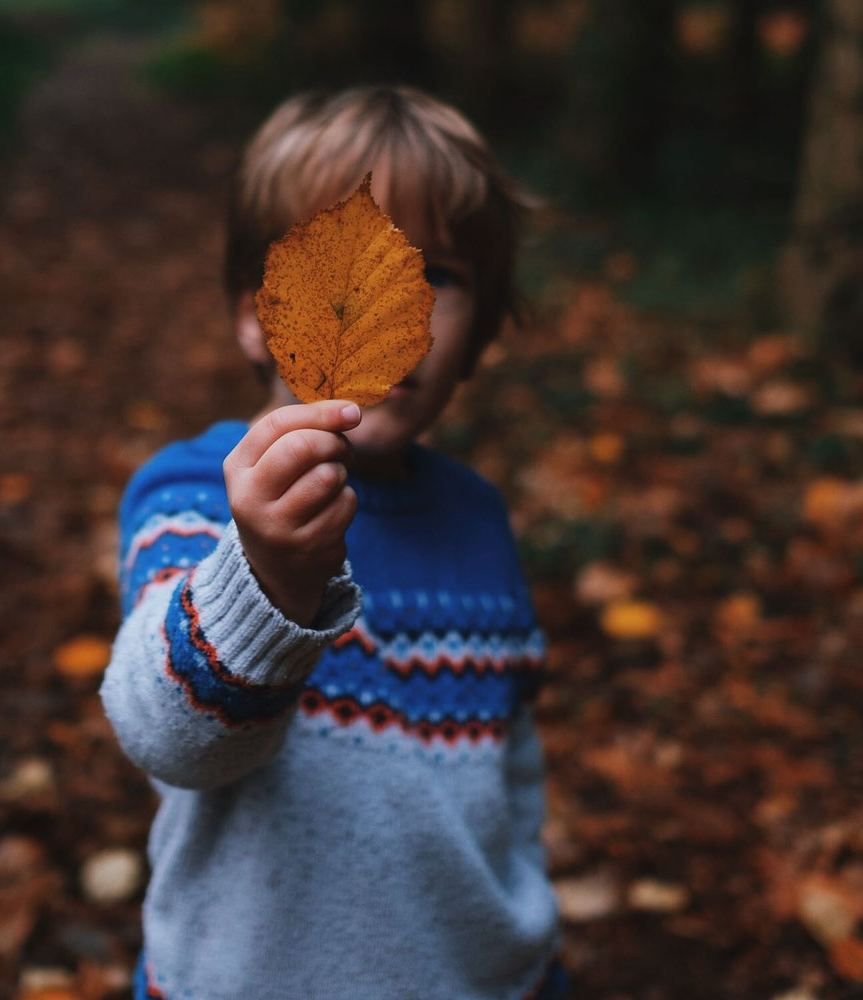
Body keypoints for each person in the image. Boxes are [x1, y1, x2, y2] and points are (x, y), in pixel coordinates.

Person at [102, 85, 565, 1000]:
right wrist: (266, 578)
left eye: (439, 275)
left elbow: (512, 786)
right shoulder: (198, 497)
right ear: (255, 313)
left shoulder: (478, 521)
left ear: (480, 335)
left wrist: (529, 951)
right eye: (335, 269)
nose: (396, 307)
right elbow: (171, 738)